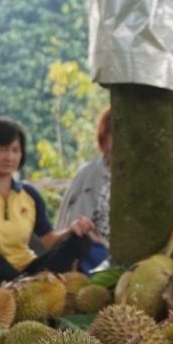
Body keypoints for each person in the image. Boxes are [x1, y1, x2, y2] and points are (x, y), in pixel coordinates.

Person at [0, 117, 95, 288]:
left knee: (79, 240)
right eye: (2, 149)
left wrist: (71, 230)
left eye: (15, 150)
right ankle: (24, 285)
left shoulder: (30, 195)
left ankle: (24, 284)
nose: (10, 157)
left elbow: (47, 240)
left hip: (28, 270)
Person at [55, 107, 112, 273]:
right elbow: (76, 225)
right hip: (94, 249)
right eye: (113, 133)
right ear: (104, 137)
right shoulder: (89, 173)